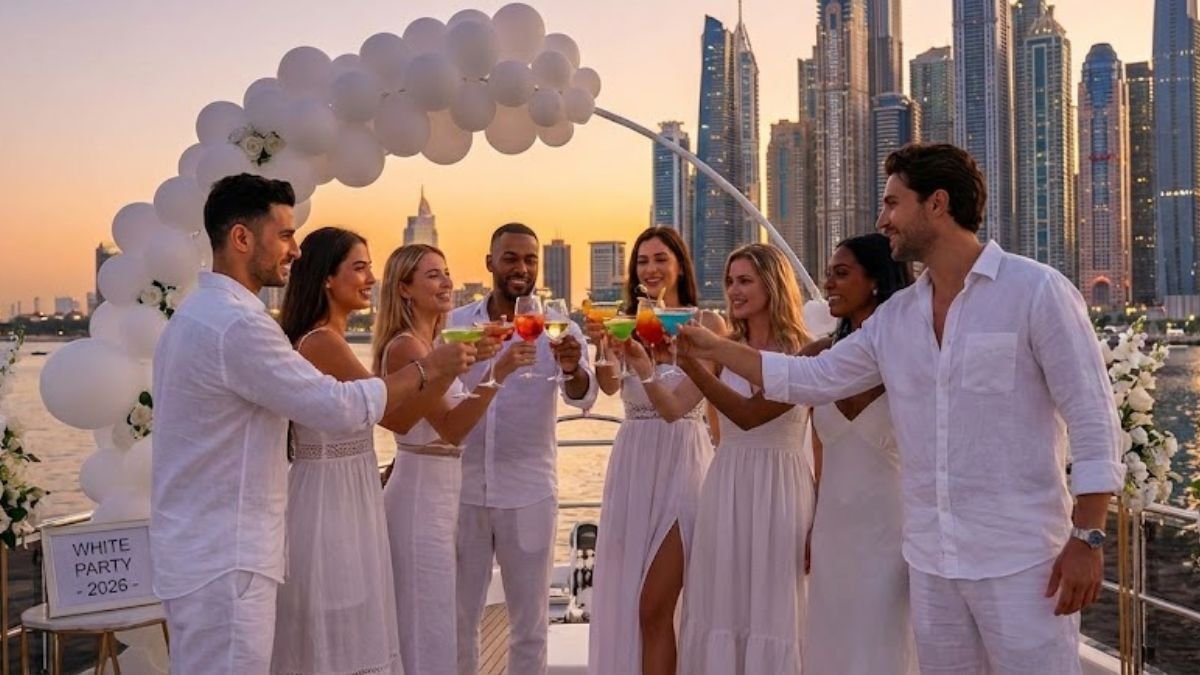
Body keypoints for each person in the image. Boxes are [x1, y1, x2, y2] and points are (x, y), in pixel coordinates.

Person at [679, 143, 1126, 675]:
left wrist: (1088, 537)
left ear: (936, 204)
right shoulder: (899, 318)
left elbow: (1094, 418)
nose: (882, 219)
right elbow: (811, 376)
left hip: (1023, 562)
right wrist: (714, 350)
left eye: (892, 204)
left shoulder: (1036, 291)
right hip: (931, 567)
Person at [151, 174, 480, 675]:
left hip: (205, 551)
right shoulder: (237, 324)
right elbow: (335, 407)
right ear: (242, 238)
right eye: (284, 235)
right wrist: (426, 370)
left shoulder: (200, 314)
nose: (295, 250)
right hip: (229, 559)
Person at [375, 244, 534, 675]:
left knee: (439, 622)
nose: (446, 282)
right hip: (420, 498)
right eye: (432, 275)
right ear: (404, 288)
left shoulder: (436, 343)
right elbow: (451, 427)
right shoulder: (407, 349)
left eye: (446, 273)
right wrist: (498, 373)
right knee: (423, 625)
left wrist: (482, 362)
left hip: (444, 495)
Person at [453, 223, 597, 675]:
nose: (522, 268)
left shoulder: (561, 328)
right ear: (490, 263)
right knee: (458, 619)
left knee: (530, 625)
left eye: (530, 259)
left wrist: (572, 369)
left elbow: (584, 395)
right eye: (511, 258)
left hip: (529, 491)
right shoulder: (458, 324)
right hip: (463, 489)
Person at [585, 226, 725, 675]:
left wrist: (657, 359)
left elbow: (687, 397)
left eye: (660, 259)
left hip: (684, 459)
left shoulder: (707, 324)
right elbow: (607, 385)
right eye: (642, 261)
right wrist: (603, 348)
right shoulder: (626, 321)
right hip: (632, 464)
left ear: (679, 264)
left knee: (654, 604)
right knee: (629, 599)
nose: (650, 269)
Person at [674, 243, 814, 675]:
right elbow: (676, 408)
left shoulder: (804, 352)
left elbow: (750, 415)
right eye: (730, 281)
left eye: (745, 280)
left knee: (775, 606)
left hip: (782, 487)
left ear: (772, 284)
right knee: (723, 602)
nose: (733, 290)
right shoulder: (723, 347)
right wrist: (642, 366)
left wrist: (697, 364)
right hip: (728, 482)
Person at [270, 227, 404, 675]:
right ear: (327, 278)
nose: (371, 278)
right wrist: (435, 370)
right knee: (340, 619)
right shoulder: (321, 342)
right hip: (331, 502)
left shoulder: (327, 338)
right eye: (359, 267)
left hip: (346, 491)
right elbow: (387, 409)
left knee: (346, 620)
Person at [802, 232, 919, 675]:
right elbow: (817, 448)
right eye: (828, 273)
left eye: (842, 273)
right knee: (834, 645)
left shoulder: (908, 354)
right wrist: (812, 520)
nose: (829, 283)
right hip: (833, 529)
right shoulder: (821, 356)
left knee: (886, 644)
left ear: (875, 282)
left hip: (894, 529)